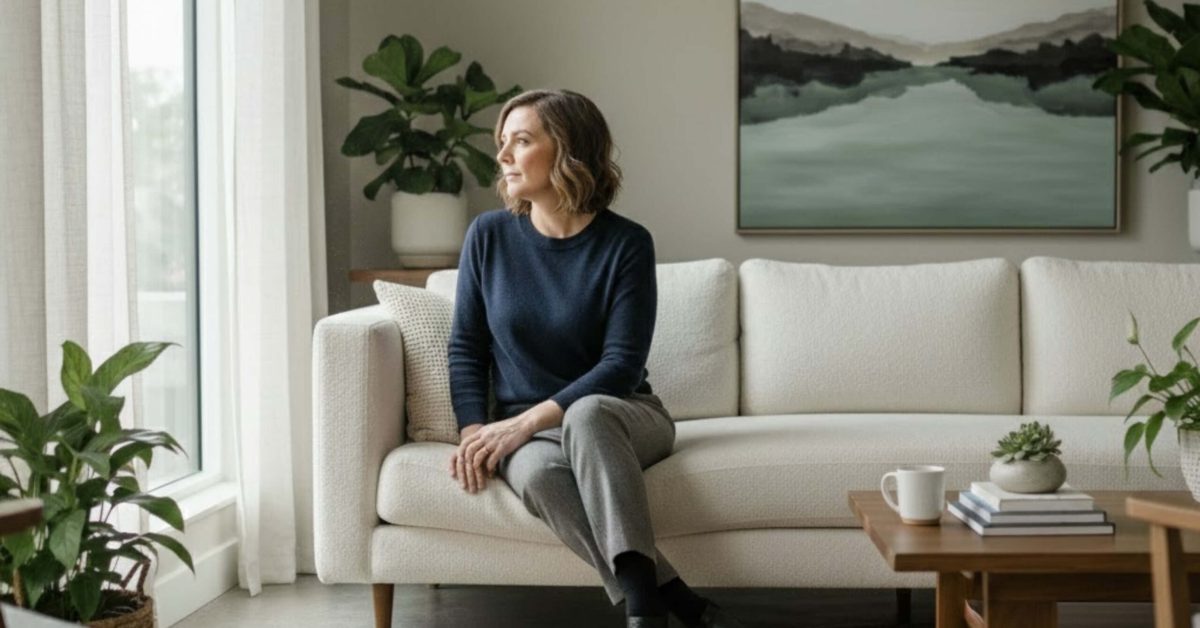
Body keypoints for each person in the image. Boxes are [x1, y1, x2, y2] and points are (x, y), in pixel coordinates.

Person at [447, 89, 746, 628]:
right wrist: (476, 431)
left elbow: (621, 367)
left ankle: (647, 609)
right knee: (538, 476)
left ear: (566, 150)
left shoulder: (626, 244)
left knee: (586, 413)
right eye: (502, 143)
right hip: (530, 436)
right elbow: (466, 346)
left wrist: (523, 422)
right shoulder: (488, 237)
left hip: (623, 415)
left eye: (521, 141)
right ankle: (661, 603)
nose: (503, 156)